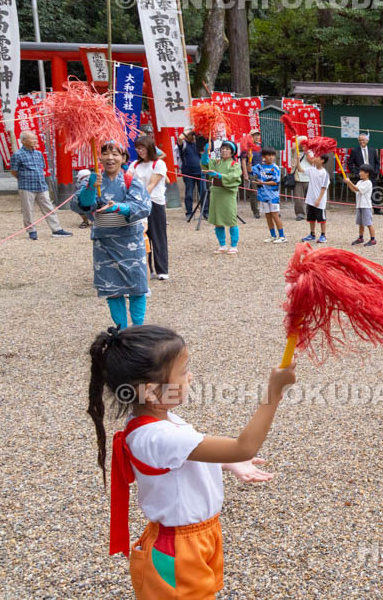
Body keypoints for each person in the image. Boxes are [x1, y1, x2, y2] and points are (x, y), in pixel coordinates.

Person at [86, 325, 294, 597]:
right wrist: (274, 391)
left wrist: (227, 463)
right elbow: (244, 447)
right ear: (150, 391)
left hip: (200, 536)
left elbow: (184, 459)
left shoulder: (158, 419)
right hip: (177, 547)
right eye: (182, 372)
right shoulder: (157, 435)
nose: (190, 376)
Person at [71, 141, 152, 329]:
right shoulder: (91, 180)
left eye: (115, 154)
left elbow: (143, 207)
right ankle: (120, 329)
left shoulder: (132, 180)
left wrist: (118, 207)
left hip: (130, 239)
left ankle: (138, 328)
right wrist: (90, 188)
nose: (110, 158)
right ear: (99, 157)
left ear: (123, 158)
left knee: (137, 286)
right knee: (112, 287)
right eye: (105, 153)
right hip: (104, 242)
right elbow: (80, 206)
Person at [9, 131, 72, 240]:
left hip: (42, 186)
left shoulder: (38, 154)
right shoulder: (17, 155)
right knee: (28, 210)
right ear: (23, 141)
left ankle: (57, 229)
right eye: (32, 139)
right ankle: (31, 231)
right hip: (26, 186)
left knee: (49, 207)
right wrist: (23, 178)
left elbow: (41, 168)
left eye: (35, 139)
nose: (35, 141)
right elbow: (14, 171)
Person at [129, 136, 169, 280]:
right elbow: (128, 181)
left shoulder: (159, 164)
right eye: (138, 148)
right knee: (143, 237)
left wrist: (139, 197)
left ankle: (162, 269)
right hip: (138, 204)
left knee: (158, 236)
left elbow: (152, 185)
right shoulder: (134, 164)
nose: (140, 151)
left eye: (143, 148)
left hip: (154, 203)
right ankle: (148, 269)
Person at [202, 140, 243, 255]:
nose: (224, 150)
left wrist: (218, 175)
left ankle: (234, 245)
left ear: (232, 152)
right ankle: (222, 245)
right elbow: (206, 164)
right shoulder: (217, 162)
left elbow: (233, 176)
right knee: (217, 220)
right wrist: (205, 152)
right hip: (216, 192)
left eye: (227, 149)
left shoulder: (234, 164)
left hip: (227, 193)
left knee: (231, 219)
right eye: (223, 148)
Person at [251, 148, 286, 243]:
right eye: (268, 155)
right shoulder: (260, 166)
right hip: (263, 196)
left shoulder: (275, 168)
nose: (271, 157)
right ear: (263, 156)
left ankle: (282, 237)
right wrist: (249, 159)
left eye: (272, 155)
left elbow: (275, 182)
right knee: (268, 215)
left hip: (273, 196)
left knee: (275, 215)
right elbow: (251, 170)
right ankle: (273, 236)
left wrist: (263, 182)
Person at [348, 133, 383, 215]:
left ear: (367, 141)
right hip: (361, 174)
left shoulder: (372, 150)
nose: (361, 142)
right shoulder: (354, 151)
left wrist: (376, 171)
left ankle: (377, 209)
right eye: (360, 140)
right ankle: (361, 209)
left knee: (375, 190)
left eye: (363, 140)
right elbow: (350, 163)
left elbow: (377, 162)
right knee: (360, 191)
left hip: (371, 174)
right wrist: (356, 173)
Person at [302, 151, 333, 244]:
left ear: (322, 160)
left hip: (320, 201)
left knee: (322, 219)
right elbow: (301, 170)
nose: (314, 158)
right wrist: (297, 159)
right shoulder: (312, 169)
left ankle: (323, 235)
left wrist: (319, 199)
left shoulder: (324, 173)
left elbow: (324, 188)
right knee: (311, 218)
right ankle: (312, 234)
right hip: (310, 199)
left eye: (317, 157)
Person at [240, 130, 263, 219]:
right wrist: (245, 174)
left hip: (261, 171)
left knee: (265, 191)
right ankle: (255, 211)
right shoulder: (246, 147)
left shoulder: (261, 146)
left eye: (258, 135)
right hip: (251, 171)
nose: (257, 137)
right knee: (254, 192)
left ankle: (270, 210)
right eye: (255, 135)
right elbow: (243, 161)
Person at [291, 136, 310, 221]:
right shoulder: (295, 151)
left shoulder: (310, 151)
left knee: (310, 198)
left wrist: (307, 151)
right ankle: (300, 213)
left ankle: (310, 213)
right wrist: (298, 141)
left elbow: (312, 161)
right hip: (298, 177)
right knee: (298, 197)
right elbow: (293, 148)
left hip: (309, 177)